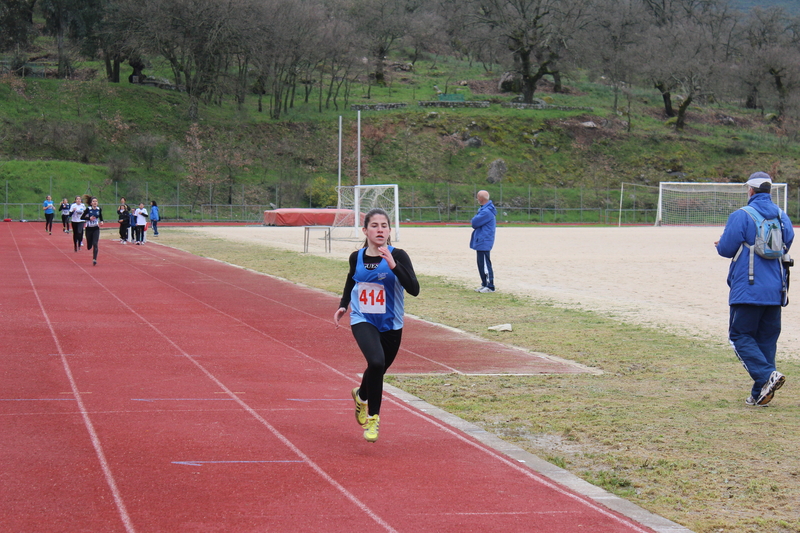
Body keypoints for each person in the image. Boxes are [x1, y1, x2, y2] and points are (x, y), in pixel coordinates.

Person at [334, 208, 420, 442]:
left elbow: (414, 289)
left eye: (384, 225)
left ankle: (361, 395)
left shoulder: (399, 255)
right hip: (363, 319)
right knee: (376, 361)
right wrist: (343, 305)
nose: (380, 229)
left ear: (389, 230)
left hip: (391, 323)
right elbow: (351, 279)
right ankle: (373, 419)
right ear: (365, 230)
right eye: (374, 225)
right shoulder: (357, 257)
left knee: (378, 369)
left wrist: (393, 265)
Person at [716, 172, 794, 406]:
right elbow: (786, 242)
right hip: (775, 289)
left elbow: (726, 249)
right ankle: (760, 393)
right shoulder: (782, 216)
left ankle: (766, 377)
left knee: (739, 335)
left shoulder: (742, 215)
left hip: (748, 288)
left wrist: (720, 244)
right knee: (766, 341)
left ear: (750, 190)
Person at [470, 190, 497, 293]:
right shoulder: (484, 210)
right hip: (481, 240)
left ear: (480, 198)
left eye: (477, 197)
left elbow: (474, 222)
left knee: (485, 264)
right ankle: (484, 284)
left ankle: (490, 286)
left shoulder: (486, 211)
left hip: (484, 240)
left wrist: (474, 219)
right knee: (481, 264)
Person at [81, 197, 104, 265]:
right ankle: (89, 244)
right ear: (91, 203)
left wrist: (102, 221)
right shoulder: (88, 209)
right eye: (93, 201)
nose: (95, 203)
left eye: (96, 201)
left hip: (96, 228)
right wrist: (89, 218)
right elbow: (82, 217)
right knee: (89, 246)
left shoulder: (99, 209)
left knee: (95, 244)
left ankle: (94, 259)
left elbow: (101, 216)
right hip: (89, 229)